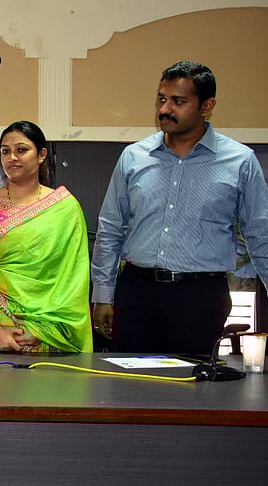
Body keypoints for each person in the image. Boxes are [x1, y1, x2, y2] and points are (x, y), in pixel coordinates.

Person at [91, 61, 268, 355]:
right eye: (161, 99)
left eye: (178, 101)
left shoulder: (240, 162)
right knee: (128, 389)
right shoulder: (134, 157)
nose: (165, 109)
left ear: (206, 106)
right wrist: (103, 295)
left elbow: (261, 235)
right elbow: (110, 229)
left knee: (193, 391)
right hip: (137, 292)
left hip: (199, 297)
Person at [0, 121, 92, 353]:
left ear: (41, 155)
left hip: (52, 332)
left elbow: (74, 277)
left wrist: (42, 331)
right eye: (5, 151)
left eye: (21, 150)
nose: (12, 157)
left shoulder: (65, 208)